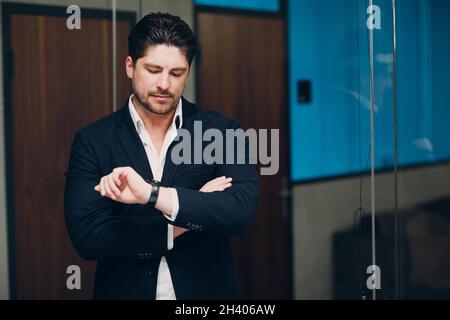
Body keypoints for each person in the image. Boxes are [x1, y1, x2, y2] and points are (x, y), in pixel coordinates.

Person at [64, 12, 259, 299]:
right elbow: (89, 238)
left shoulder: (221, 130)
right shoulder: (93, 141)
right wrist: (187, 214)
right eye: (153, 70)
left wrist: (150, 195)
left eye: (176, 73)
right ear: (130, 66)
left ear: (188, 72)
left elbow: (238, 210)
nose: (164, 85)